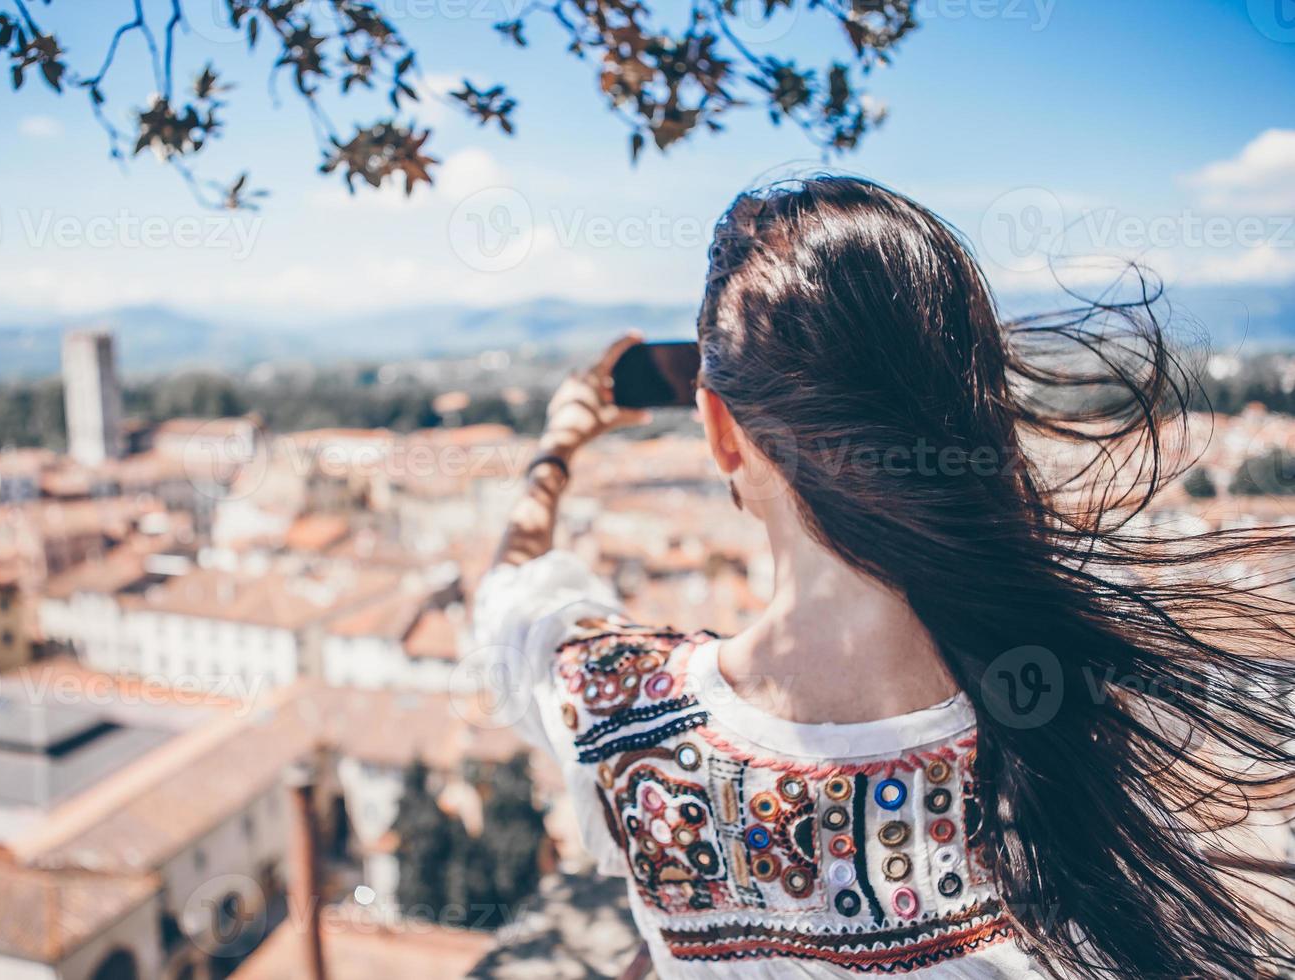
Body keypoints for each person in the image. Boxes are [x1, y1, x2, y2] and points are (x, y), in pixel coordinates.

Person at [473, 177, 1295, 978]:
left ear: (722, 432)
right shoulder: (1088, 716)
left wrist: (561, 442)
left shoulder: (625, 714)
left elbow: (512, 599)